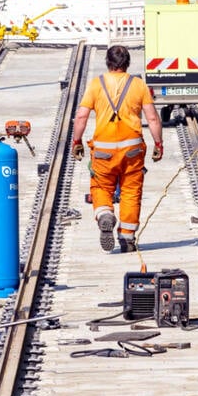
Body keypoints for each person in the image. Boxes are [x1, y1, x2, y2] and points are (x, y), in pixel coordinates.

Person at [71, 45, 163, 253]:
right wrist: (158, 143)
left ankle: (104, 214)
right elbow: (152, 118)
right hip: (132, 150)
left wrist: (76, 141)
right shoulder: (139, 85)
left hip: (104, 151)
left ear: (108, 62)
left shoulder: (96, 85)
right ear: (127, 63)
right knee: (131, 192)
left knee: (101, 188)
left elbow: (82, 117)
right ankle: (127, 238)